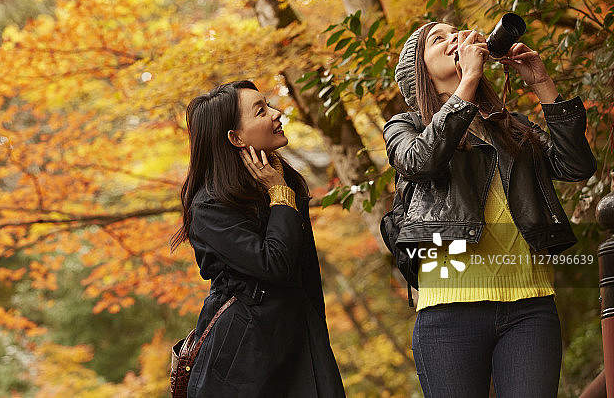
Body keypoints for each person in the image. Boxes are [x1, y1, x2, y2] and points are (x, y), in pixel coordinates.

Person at [383, 21, 597, 397]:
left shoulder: (511, 126)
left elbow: (576, 166)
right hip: (449, 311)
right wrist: (468, 83)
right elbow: (421, 161)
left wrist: (541, 83)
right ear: (420, 72)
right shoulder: (405, 126)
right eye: (439, 39)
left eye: (457, 32)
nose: (455, 39)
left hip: (530, 306)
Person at [172, 80, 345, 397]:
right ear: (236, 138)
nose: (277, 114)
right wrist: (279, 193)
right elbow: (274, 264)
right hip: (244, 360)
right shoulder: (210, 205)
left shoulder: (283, 183)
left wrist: (319, 339)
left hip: (301, 341)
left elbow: (307, 276)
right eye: (262, 111)